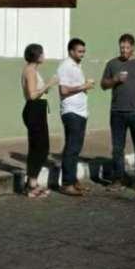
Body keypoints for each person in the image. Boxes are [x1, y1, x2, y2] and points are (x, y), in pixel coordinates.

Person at [101, 33, 135, 193]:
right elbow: (103, 85)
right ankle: (118, 179)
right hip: (117, 112)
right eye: (121, 47)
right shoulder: (112, 64)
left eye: (127, 47)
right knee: (117, 149)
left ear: (133, 47)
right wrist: (115, 80)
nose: (124, 50)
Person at [57, 38, 95, 196]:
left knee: (76, 148)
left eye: (83, 51)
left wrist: (84, 85)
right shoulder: (66, 66)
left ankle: (73, 180)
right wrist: (84, 86)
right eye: (79, 51)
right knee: (72, 148)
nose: (82, 54)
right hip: (71, 112)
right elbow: (63, 90)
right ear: (71, 51)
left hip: (80, 112)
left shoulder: (76, 66)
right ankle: (67, 183)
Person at [21, 43, 58, 198]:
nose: (44, 55)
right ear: (36, 55)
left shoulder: (33, 70)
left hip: (38, 110)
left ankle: (32, 183)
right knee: (40, 148)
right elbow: (32, 95)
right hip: (34, 110)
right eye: (42, 53)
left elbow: (37, 91)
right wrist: (49, 84)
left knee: (38, 147)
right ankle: (31, 185)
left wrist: (46, 87)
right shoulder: (30, 71)